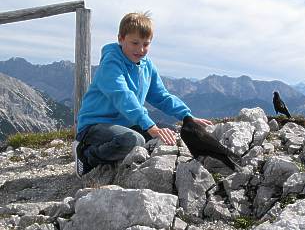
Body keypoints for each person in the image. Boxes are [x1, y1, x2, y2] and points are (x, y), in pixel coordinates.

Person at [73, 12, 212, 178]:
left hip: (126, 123)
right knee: (134, 140)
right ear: (121, 39)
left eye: (146, 44)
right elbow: (123, 97)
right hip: (95, 125)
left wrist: (187, 116)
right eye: (134, 43)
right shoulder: (110, 64)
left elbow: (161, 96)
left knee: (165, 135)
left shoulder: (147, 66)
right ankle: (86, 155)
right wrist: (149, 126)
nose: (140, 49)